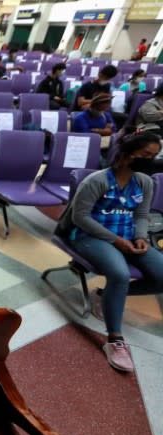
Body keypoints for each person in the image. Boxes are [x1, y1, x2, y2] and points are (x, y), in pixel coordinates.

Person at [55, 132, 163, 372]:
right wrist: (116, 241)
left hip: (127, 237)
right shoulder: (97, 180)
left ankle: (105, 296)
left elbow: (142, 216)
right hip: (89, 236)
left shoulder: (144, 182)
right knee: (120, 274)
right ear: (127, 154)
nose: (150, 161)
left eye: (154, 156)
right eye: (146, 155)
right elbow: (80, 217)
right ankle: (114, 340)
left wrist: (140, 237)